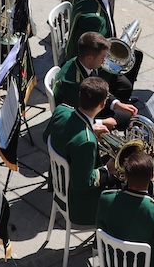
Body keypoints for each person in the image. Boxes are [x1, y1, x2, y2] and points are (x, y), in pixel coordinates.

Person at [43, 76, 115, 225]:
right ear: (102, 104)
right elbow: (83, 183)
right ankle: (98, 244)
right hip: (79, 205)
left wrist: (89, 128)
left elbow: (46, 137)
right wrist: (107, 169)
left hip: (59, 184)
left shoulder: (61, 111)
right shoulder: (86, 142)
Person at [64, 0, 138, 103]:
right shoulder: (94, 19)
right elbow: (91, 50)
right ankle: (110, 107)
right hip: (89, 59)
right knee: (125, 84)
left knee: (136, 56)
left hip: (92, 47)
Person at [54, 31, 137, 129]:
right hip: (79, 119)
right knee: (129, 120)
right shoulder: (73, 84)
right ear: (89, 58)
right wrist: (102, 122)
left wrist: (117, 104)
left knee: (128, 114)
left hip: (92, 105)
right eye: (102, 57)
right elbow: (76, 117)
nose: (105, 60)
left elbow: (98, 87)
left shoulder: (86, 63)